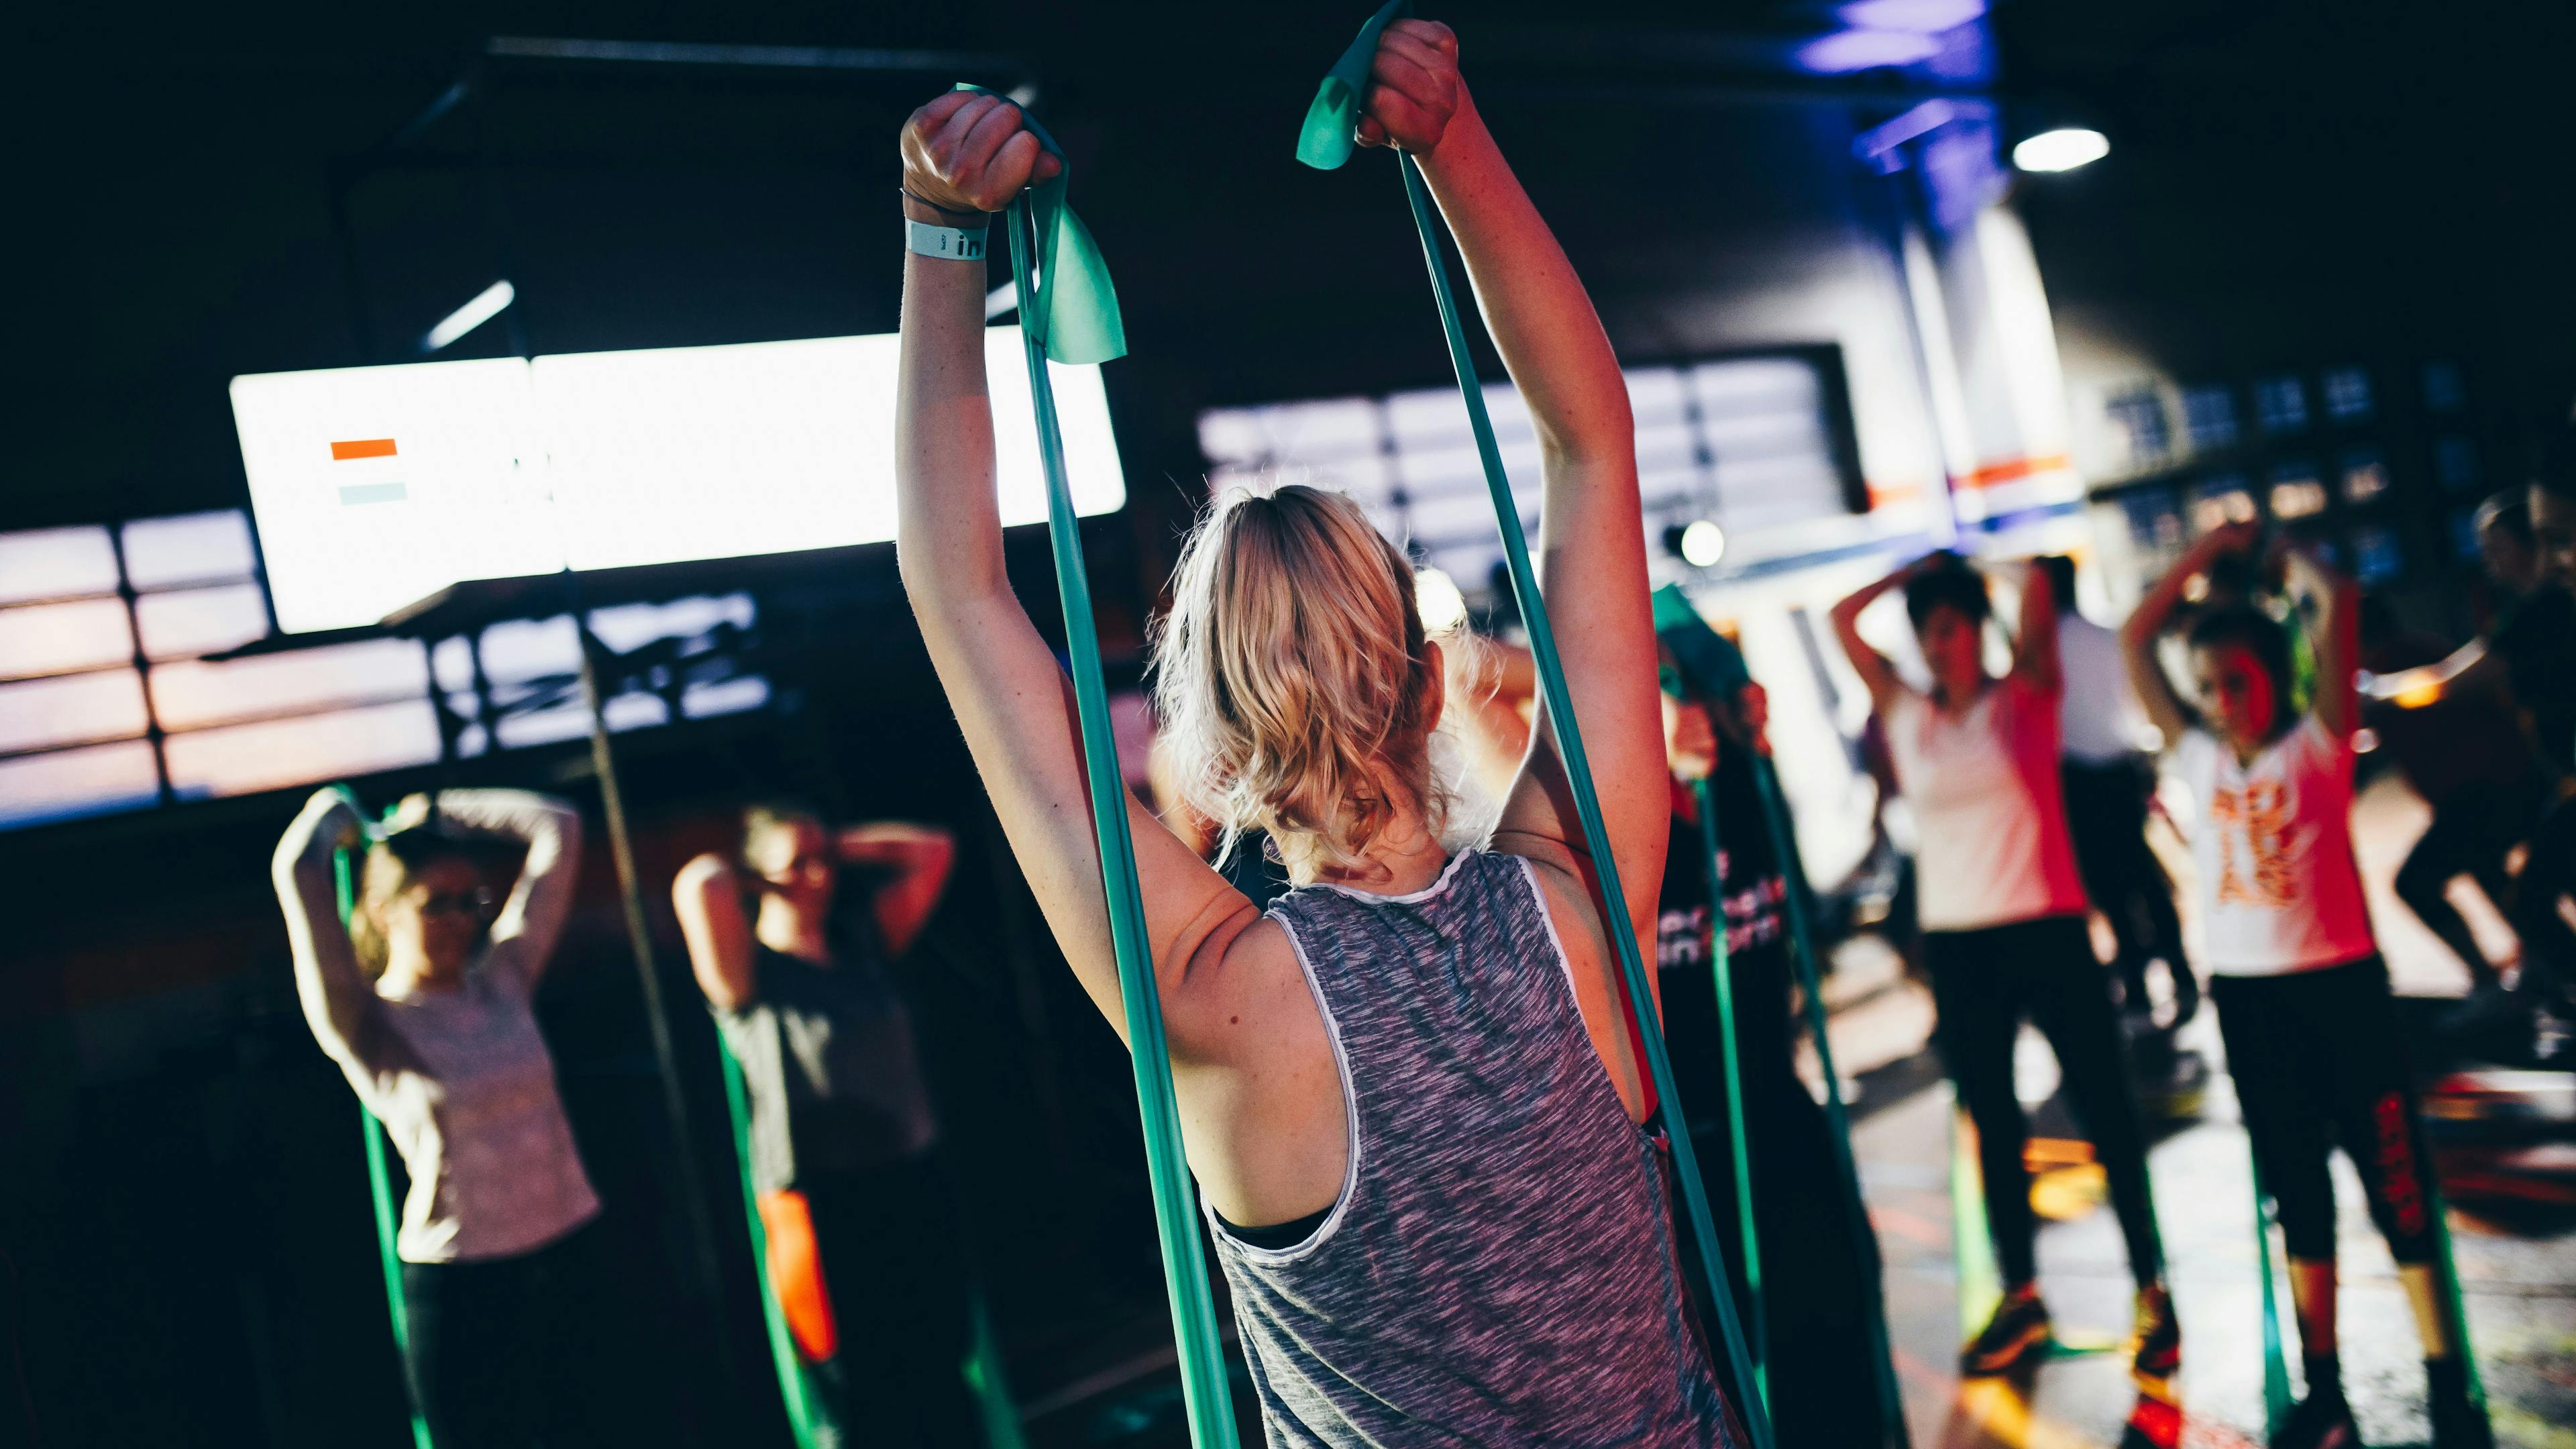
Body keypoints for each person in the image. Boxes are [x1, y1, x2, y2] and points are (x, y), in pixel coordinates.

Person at [891, 19, 1739, 1446]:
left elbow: (964, 599)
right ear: (1431, 685)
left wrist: (939, 238)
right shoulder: (1579, 895)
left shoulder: (1215, 995)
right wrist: (1450, 134)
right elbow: (1591, 441)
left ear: (1205, 759)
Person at [2121, 523, 2488, 1449]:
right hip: (2252, 1005)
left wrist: (2278, 549)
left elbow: (2341, 603)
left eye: (2236, 681)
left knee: (2395, 1186)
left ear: (2275, 677)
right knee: (2299, 1198)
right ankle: (2324, 1386)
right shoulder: (2197, 758)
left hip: (2344, 994)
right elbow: (2136, 638)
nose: (2220, 701)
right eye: (2207, 687)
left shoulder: (2318, 743)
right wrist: (2202, 554)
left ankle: (2447, 1381)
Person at [1829, 552, 2177, 1379]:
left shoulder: (2026, 698)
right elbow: (1845, 615)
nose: (1937, 644)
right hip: (1961, 947)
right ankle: (2022, 1296)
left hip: (2048, 930)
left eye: (1950, 626)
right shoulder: (1907, 714)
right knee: (1993, 1128)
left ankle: (2152, 1291)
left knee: (2108, 1116)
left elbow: (2040, 589)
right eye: (1925, 631)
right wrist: (1920, 567)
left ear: (1980, 628)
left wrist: (1977, 566)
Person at [272, 787, 609, 1449]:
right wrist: (332, 817)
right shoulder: (368, 1021)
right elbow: (296, 872)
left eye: (470, 902)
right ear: (383, 910)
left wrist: (439, 810)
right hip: (467, 1285)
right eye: (437, 904)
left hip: (569, 1250)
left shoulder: (503, 978)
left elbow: (560, 828)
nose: (461, 920)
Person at [1656, 624, 1896, 1449]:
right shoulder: (1615, 825)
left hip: (1778, 1104)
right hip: (1688, 1148)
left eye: (1697, 693)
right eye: (1667, 692)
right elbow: (1482, 688)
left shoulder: (1752, 790)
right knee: (1736, 1355)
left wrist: (1741, 718)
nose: (1691, 712)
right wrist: (1632, 714)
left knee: (1846, 1294)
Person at [672, 804, 976, 1447]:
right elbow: (700, 883)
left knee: (940, 1364)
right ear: (758, 878)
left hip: (912, 1183)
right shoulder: (747, 974)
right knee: (862, 1389)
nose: (816, 877)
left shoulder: (864, 941)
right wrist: (763, 872)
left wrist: (833, 844)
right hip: (823, 1203)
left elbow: (935, 848)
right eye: (796, 866)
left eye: (824, 863)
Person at [2035, 554, 2196, 1031]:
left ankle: (2140, 988)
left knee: (2109, 885)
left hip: (2079, 778)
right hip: (2121, 767)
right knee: (2144, 875)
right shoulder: (2104, 637)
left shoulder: (2045, 650)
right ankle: (2180, 972)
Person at [2355, 594, 2538, 1012]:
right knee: (2494, 877)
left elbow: (2436, 689)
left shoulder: (2394, 666)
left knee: (2417, 882)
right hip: (2484, 793)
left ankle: (2496, 980)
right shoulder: (2402, 658)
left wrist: (2379, 695)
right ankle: (2532, 972)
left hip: (2489, 791)